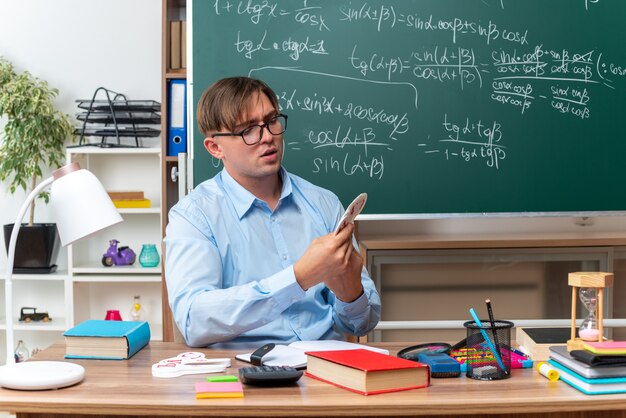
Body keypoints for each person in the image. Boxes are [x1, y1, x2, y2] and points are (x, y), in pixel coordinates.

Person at [164, 76, 381, 347]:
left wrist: (351, 293)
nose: (267, 137)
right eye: (248, 130)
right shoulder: (194, 216)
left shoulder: (324, 204)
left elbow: (362, 323)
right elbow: (193, 321)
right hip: (244, 373)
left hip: (324, 370)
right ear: (215, 147)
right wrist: (299, 277)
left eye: (271, 121)